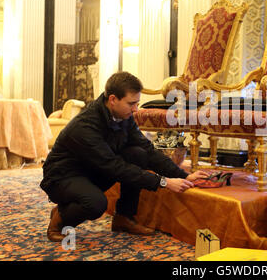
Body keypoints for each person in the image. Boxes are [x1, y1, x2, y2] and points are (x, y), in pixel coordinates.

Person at [40, 71, 209, 242]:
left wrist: (184, 175)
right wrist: (163, 182)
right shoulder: (85, 127)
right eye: (132, 104)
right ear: (113, 99)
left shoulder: (124, 115)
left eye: (137, 103)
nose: (136, 109)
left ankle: (123, 217)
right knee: (96, 204)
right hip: (63, 176)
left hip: (93, 168)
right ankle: (59, 218)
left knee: (138, 154)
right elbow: (114, 167)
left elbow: (147, 150)